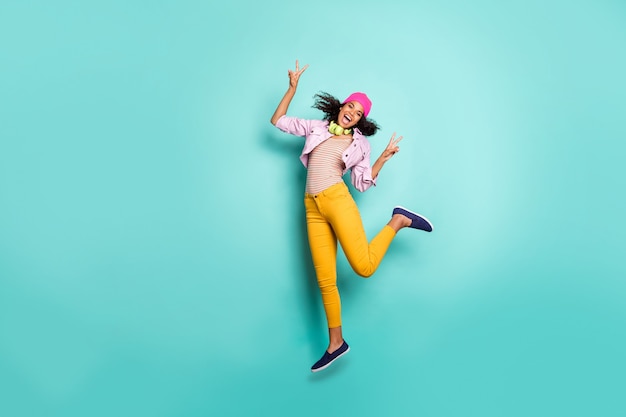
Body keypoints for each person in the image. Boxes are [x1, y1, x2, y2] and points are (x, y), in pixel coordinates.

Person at [270, 60, 433, 373]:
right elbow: (277, 120)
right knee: (325, 280)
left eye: (359, 113)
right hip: (312, 207)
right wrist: (292, 89)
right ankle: (336, 343)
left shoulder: (358, 144)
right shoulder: (316, 128)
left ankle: (397, 221)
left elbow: (361, 183)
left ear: (361, 121)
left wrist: (382, 158)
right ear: (342, 105)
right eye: (351, 106)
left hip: (337, 200)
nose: (353, 113)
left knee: (364, 267)